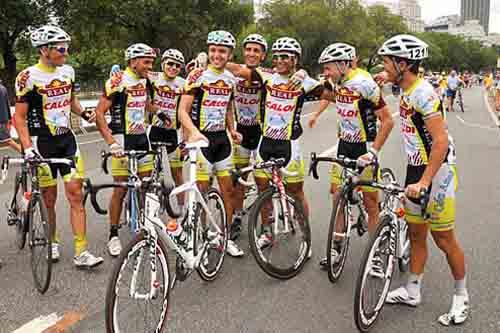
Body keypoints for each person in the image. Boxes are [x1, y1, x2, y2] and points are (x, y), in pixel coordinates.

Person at [376, 34, 468, 326]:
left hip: (437, 171)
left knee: (443, 238)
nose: (383, 66)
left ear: (403, 64)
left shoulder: (423, 94)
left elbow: (440, 142)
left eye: (387, 62)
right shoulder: (403, 87)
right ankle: (413, 289)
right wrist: (381, 76)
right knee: (416, 234)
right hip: (416, 167)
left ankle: (461, 296)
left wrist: (425, 182)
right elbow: (386, 83)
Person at [225, 37, 336, 256]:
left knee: (296, 191)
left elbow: (332, 95)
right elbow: (237, 69)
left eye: (285, 56)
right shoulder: (266, 76)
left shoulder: (303, 82)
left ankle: (306, 236)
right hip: (265, 142)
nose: (279, 60)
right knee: (263, 188)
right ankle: (267, 231)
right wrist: (204, 63)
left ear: (295, 59)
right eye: (276, 56)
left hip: (289, 144)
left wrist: (306, 74)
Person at [14, 25, 103, 268]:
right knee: (49, 199)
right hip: (41, 144)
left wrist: (83, 112)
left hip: (67, 142)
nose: (66, 51)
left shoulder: (68, 72)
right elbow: (19, 118)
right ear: (44, 50)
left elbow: (70, 100)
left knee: (76, 194)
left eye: (67, 46)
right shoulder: (27, 77)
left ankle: (81, 251)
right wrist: (27, 147)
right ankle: (52, 240)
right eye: (61, 47)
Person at [307, 43, 394, 270]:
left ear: (344, 64)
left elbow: (388, 120)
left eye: (328, 68)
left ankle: (376, 253)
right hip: (344, 145)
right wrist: (308, 83)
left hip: (364, 148)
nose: (325, 73)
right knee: (337, 196)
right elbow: (332, 96)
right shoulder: (340, 82)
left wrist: (373, 152)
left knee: (370, 202)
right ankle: (336, 248)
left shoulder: (364, 84)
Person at [178, 30, 244, 257]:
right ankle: (201, 234)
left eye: (222, 51)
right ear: (208, 51)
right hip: (202, 141)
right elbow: (182, 111)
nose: (217, 55)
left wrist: (232, 129)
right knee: (202, 191)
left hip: (222, 141)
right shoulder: (197, 76)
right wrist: (194, 133)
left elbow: (227, 107)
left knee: (228, 190)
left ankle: (223, 236)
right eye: (213, 50)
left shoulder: (230, 79)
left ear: (229, 54)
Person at [95, 43, 157, 256]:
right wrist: (111, 142)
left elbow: (145, 103)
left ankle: (145, 227)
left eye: (151, 62)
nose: (150, 66)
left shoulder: (145, 79)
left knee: (145, 186)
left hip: (141, 138)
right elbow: (100, 113)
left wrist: (160, 113)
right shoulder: (117, 81)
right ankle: (113, 234)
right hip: (121, 138)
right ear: (132, 62)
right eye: (146, 62)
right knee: (120, 190)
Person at [230, 33, 269, 241]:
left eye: (256, 50)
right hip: (241, 131)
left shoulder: (264, 74)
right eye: (249, 49)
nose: (252, 53)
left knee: (263, 182)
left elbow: (239, 70)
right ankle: (236, 216)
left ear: (263, 56)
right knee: (239, 179)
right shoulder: (232, 75)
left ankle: (266, 225)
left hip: (261, 132)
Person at [148, 49, 186, 211]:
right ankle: (149, 207)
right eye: (170, 63)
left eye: (177, 65)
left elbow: (186, 111)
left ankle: (183, 208)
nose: (173, 67)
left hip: (173, 133)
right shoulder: (153, 77)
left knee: (177, 172)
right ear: (163, 63)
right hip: (154, 129)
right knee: (149, 172)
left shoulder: (183, 83)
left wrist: (184, 137)